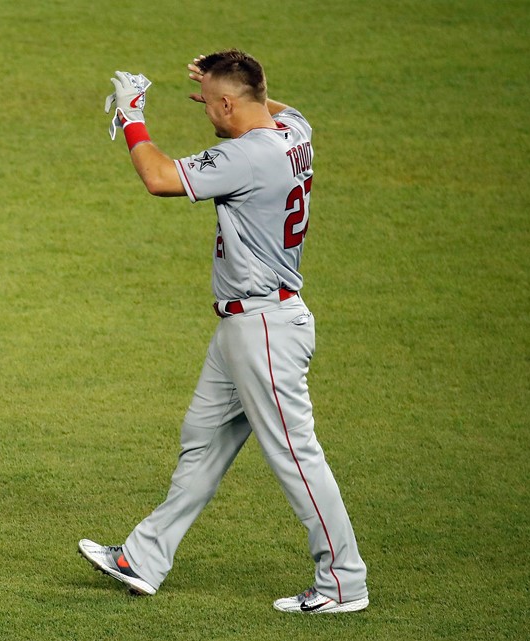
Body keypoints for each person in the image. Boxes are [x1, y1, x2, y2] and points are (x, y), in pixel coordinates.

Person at [77, 50, 369, 613]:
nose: (206, 111)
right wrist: (226, 89)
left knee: (296, 458)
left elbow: (160, 179)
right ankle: (144, 557)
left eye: (212, 105)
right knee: (202, 441)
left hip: (265, 328)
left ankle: (343, 583)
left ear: (232, 104)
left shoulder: (246, 156)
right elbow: (270, 103)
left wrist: (134, 114)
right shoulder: (292, 129)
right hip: (248, 324)